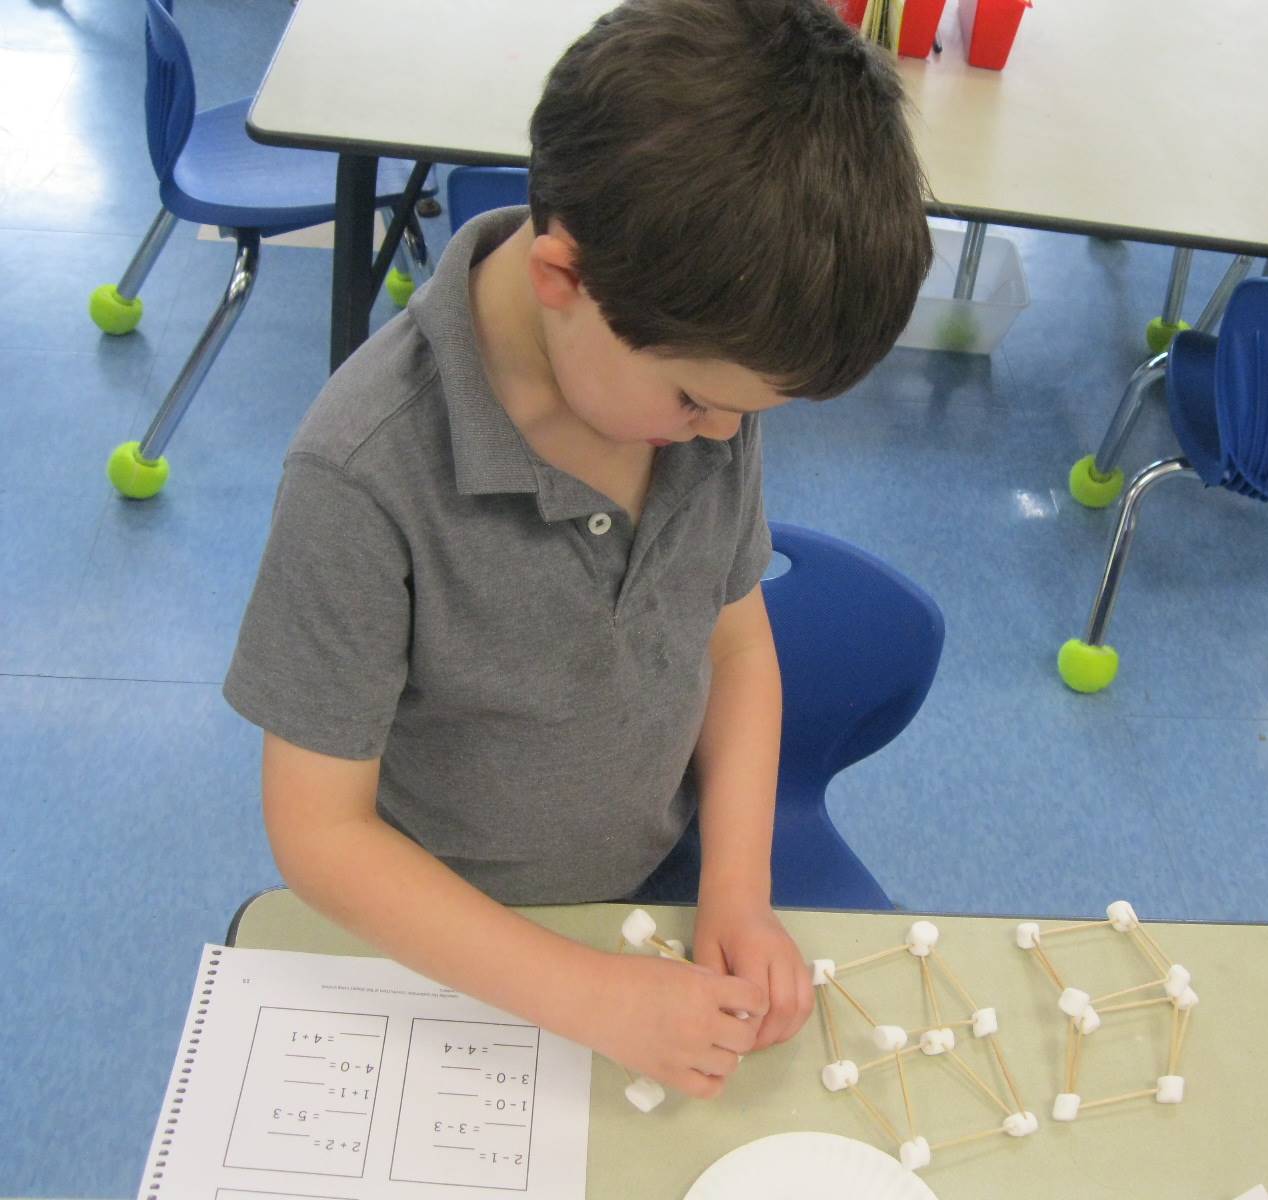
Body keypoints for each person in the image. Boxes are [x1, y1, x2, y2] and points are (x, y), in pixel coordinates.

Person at [223, 0, 931, 1101]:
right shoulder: (362, 474)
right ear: (562, 279)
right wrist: (590, 997)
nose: (725, 437)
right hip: (461, 942)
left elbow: (734, 644)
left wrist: (737, 895)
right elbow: (319, 833)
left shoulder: (695, 394)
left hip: (651, 888)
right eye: (700, 401)